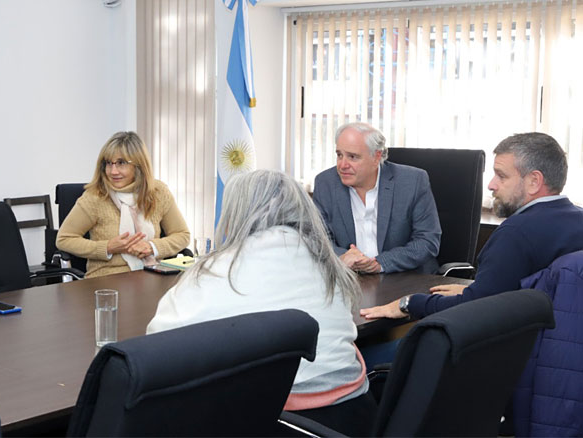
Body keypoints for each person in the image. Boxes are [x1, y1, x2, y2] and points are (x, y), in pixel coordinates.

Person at [147, 170, 375, 437]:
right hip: (356, 415)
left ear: (236, 212)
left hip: (283, 423)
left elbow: (158, 339)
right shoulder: (327, 264)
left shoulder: (220, 270)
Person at [361, 132, 583, 320]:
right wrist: (475, 290)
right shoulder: (577, 219)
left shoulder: (516, 234)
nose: (491, 185)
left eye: (501, 176)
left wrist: (407, 304)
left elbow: (476, 312)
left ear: (534, 181)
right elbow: (533, 292)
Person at [56, 131, 190, 278]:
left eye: (121, 163)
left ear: (138, 165)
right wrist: (107, 247)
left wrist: (152, 247)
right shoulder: (95, 197)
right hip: (107, 280)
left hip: (152, 274)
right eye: (108, 163)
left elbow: (182, 235)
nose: (113, 171)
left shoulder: (158, 192)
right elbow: (64, 239)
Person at [313, 122, 441, 274]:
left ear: (376, 157)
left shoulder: (413, 181)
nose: (342, 165)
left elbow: (427, 241)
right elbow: (317, 239)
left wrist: (380, 263)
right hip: (350, 278)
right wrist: (344, 257)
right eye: (339, 155)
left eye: (352, 157)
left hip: (403, 277)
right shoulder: (325, 183)